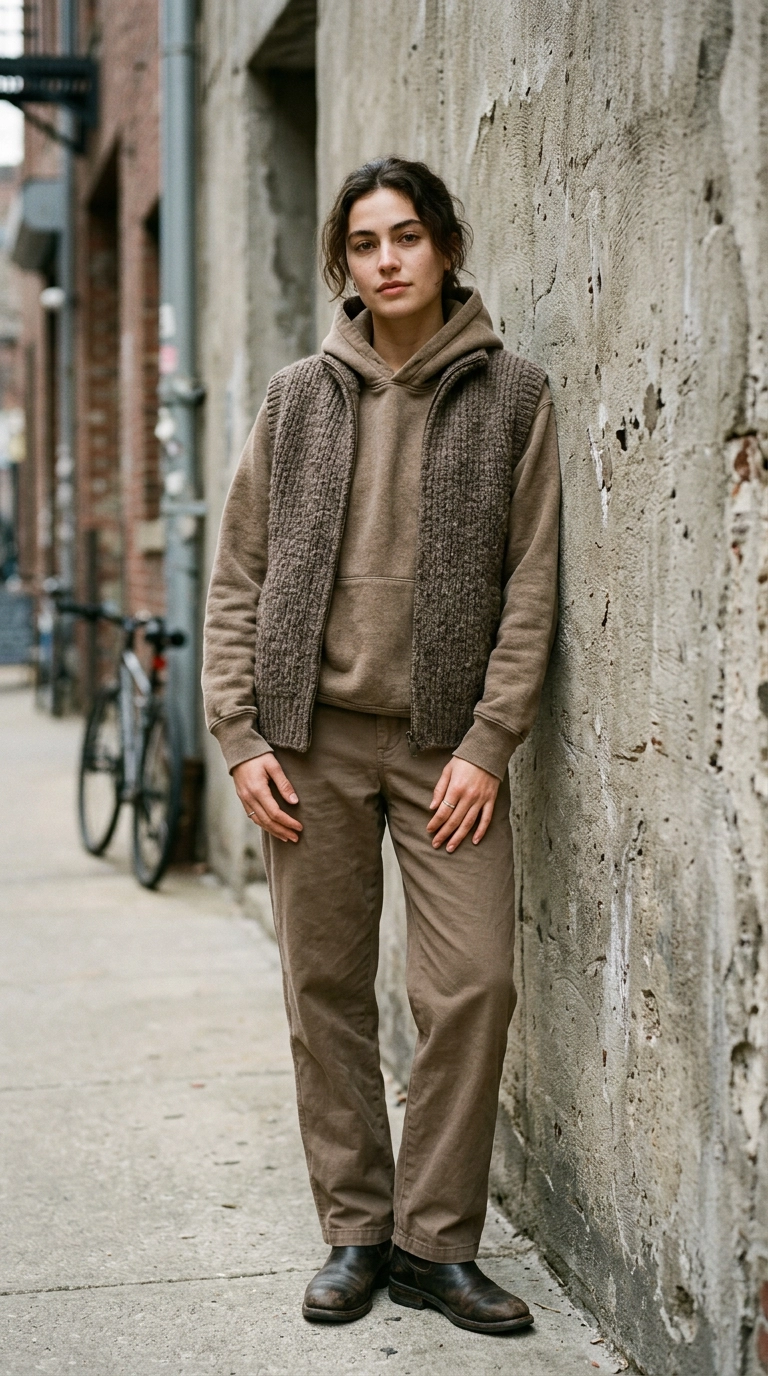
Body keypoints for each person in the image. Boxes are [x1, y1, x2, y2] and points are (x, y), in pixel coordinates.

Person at [202, 156, 560, 1336]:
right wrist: (241, 729)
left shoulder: (515, 394)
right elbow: (241, 573)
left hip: (445, 749)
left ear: (447, 246)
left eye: (409, 235)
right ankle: (357, 1230)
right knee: (326, 986)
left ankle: (434, 1241)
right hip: (309, 742)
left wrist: (489, 741)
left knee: (472, 985)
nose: (390, 258)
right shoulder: (299, 395)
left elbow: (531, 586)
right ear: (344, 264)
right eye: (366, 243)